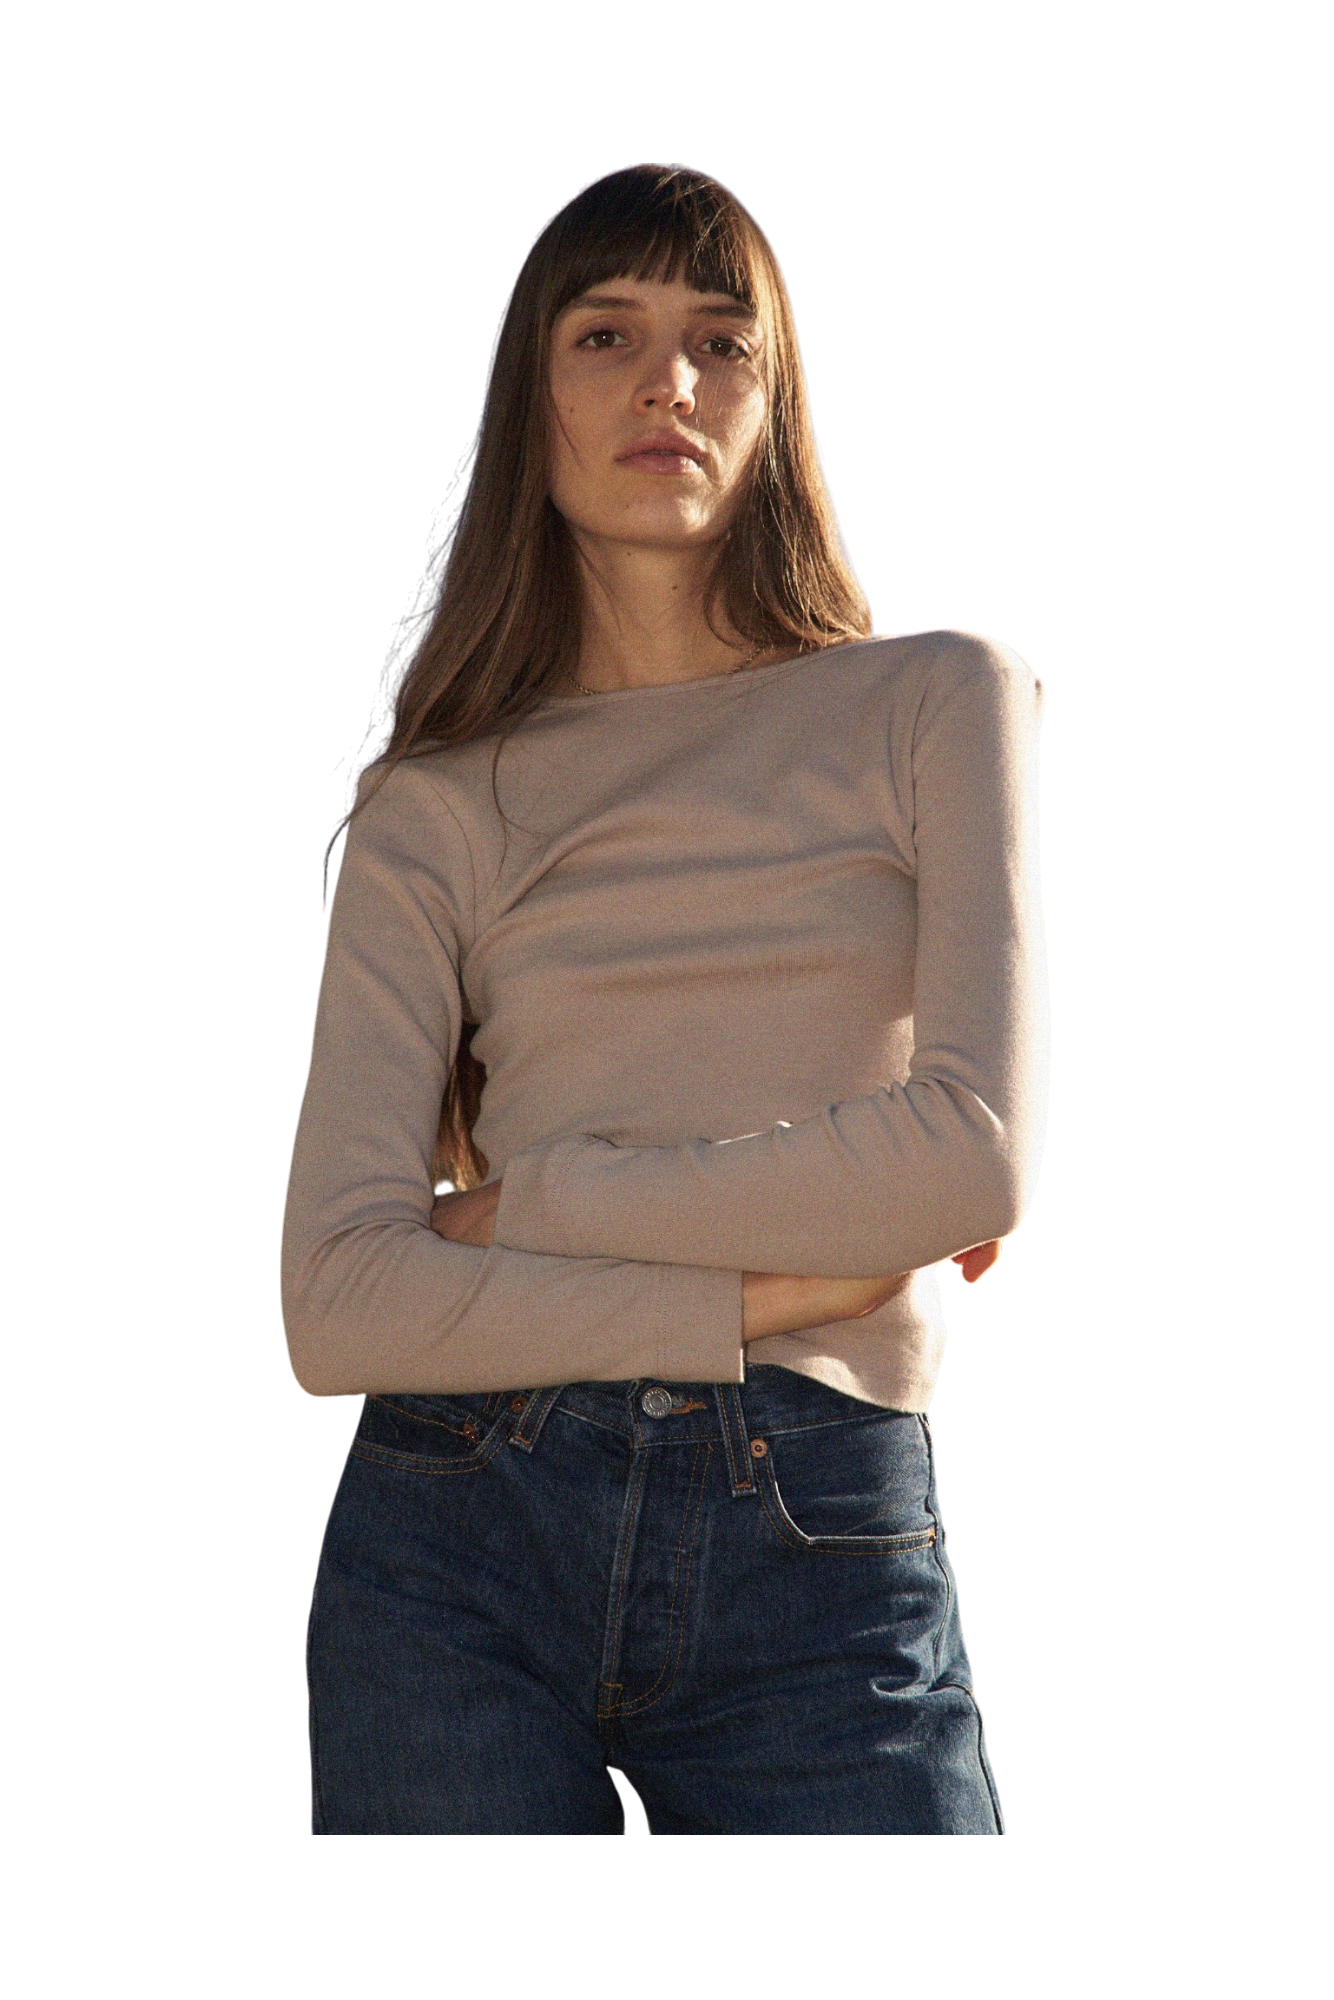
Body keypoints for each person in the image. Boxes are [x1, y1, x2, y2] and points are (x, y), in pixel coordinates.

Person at [282, 162, 1051, 1835]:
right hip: (456, 1534)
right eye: (606, 333)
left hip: (820, 1534)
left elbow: (974, 1160)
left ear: (776, 408)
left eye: (721, 344)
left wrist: (515, 1215)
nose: (668, 384)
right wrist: (782, 1277)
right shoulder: (433, 799)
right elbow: (335, 1306)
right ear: (529, 394)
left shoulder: (939, 699)